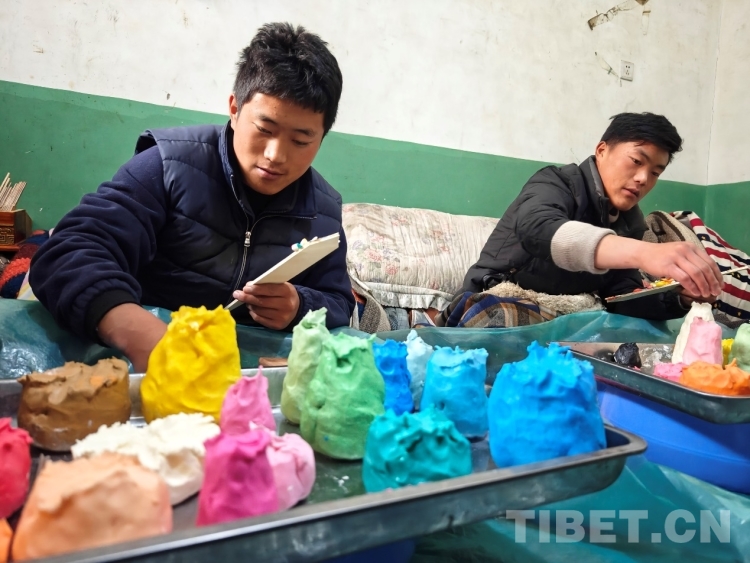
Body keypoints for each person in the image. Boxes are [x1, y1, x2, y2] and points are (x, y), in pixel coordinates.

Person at [29, 23, 355, 371]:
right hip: (141, 362)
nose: (276, 155)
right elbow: (68, 250)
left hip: (241, 373)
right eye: (264, 129)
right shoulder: (167, 166)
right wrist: (134, 328)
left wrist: (299, 305)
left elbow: (339, 301)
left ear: (321, 138)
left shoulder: (322, 212)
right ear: (234, 109)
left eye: (301, 141)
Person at [459, 112, 723, 320]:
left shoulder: (630, 223)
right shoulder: (555, 182)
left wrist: (681, 299)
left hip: (561, 321)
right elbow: (538, 228)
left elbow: (621, 298)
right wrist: (643, 252)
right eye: (636, 161)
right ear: (602, 150)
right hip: (491, 304)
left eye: (655, 172)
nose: (643, 178)